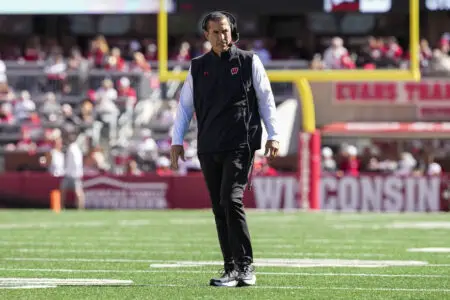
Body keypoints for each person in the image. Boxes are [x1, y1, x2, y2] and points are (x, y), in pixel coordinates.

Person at [170, 11, 279, 287]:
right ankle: (230, 268)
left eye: (226, 31)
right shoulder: (197, 66)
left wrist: (273, 135)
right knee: (220, 207)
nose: (222, 36)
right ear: (206, 35)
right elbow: (185, 107)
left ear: (233, 32)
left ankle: (245, 266)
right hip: (208, 145)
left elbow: (266, 98)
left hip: (240, 143)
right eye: (216, 32)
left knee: (231, 200)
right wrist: (176, 141)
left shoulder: (248, 61)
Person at [60, 130, 85, 209]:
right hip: (69, 174)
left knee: (78, 193)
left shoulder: (74, 148)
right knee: (63, 191)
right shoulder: (71, 147)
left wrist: (78, 173)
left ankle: (80, 208)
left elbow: (77, 162)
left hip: (75, 175)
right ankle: (61, 207)